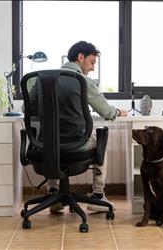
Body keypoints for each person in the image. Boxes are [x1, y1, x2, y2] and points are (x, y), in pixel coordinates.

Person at [48, 41, 127, 213]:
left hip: (45, 145)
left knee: (51, 140)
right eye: (92, 62)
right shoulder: (82, 81)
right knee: (100, 139)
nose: (92, 68)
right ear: (81, 57)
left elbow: (27, 108)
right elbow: (106, 112)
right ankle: (97, 196)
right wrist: (118, 111)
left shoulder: (42, 80)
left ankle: (52, 193)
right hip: (77, 144)